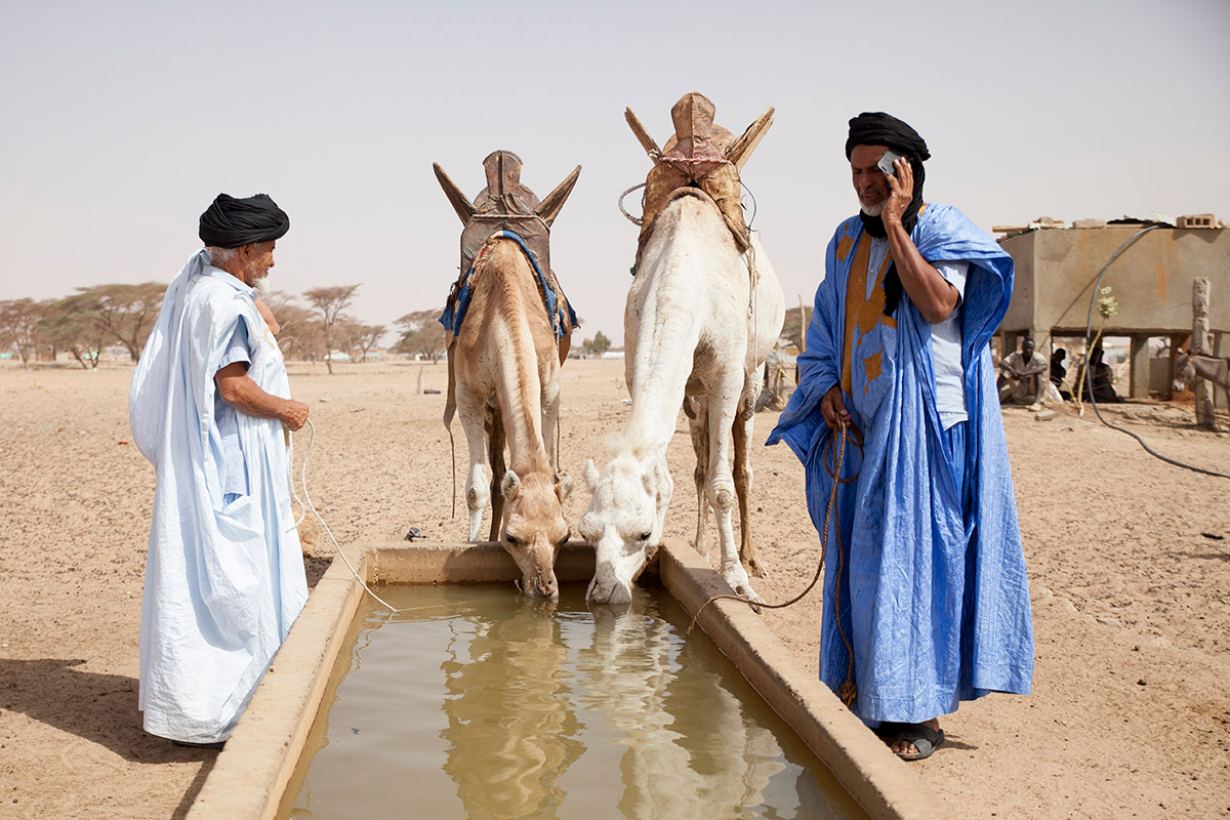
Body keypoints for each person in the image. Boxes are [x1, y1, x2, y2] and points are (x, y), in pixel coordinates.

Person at [767, 113, 1033, 761]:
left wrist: (895, 223)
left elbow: (938, 304)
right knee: (866, 567)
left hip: (927, 435)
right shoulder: (842, 242)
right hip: (859, 433)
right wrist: (825, 388)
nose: (864, 183)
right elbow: (826, 329)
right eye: (856, 171)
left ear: (905, 171)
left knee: (919, 564)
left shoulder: (941, 231)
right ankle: (869, 697)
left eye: (876, 172)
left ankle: (921, 716)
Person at [129, 193, 310, 747]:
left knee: (210, 574)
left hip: (218, 459)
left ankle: (196, 706)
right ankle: (229, 712)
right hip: (235, 463)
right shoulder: (222, 302)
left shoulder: (204, 288)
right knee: (241, 577)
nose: (274, 260)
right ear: (247, 249)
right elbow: (232, 388)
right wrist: (287, 410)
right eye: (269, 249)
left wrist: (255, 303)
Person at [998, 336, 1049, 407]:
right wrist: (1012, 370)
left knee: (1038, 373)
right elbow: (1001, 363)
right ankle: (995, 397)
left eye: (1030, 348)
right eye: (1026, 348)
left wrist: (1026, 373)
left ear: (1033, 348)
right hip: (1021, 386)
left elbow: (1044, 367)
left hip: (1033, 389)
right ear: (1022, 347)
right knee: (1005, 372)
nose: (1028, 350)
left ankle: (1037, 402)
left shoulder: (1038, 357)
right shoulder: (1016, 356)